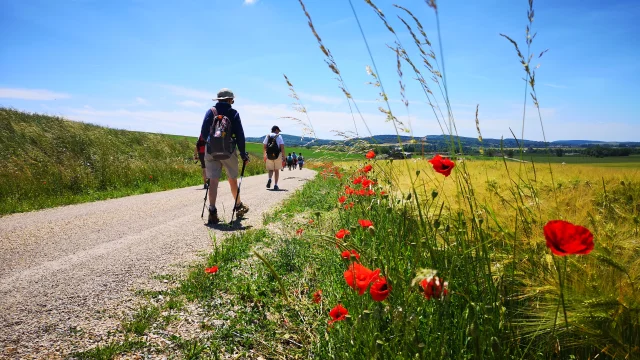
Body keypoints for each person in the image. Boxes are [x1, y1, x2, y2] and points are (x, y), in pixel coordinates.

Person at [200, 88, 250, 225]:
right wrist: (243, 153)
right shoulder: (233, 113)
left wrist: (211, 143)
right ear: (230, 100)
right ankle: (238, 205)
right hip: (229, 151)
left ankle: (212, 211)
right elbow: (240, 135)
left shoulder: (211, 112)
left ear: (218, 100)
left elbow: (203, 133)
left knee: (213, 181)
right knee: (232, 179)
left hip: (211, 151)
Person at [263, 125, 285, 191]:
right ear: (276, 130)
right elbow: (282, 147)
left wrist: (264, 155)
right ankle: (275, 185)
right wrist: (284, 156)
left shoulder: (268, 136)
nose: (279, 132)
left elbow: (264, 146)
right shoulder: (279, 136)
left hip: (269, 155)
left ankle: (269, 179)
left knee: (270, 169)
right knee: (276, 170)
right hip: (277, 155)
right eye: (278, 131)